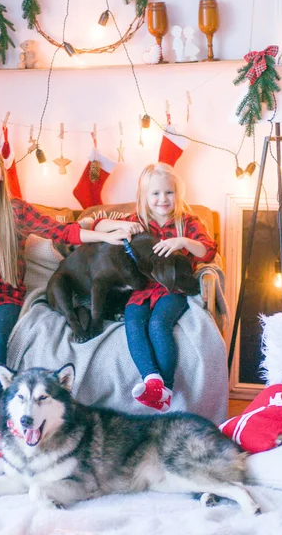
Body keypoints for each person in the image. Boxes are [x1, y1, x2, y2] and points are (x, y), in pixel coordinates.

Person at [0, 143, 130, 447]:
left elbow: (62, 232)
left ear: (1, 174)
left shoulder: (17, 210)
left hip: (6, 294)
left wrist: (104, 235)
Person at [93, 162, 217, 411]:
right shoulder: (137, 221)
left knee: (159, 324)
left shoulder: (187, 222)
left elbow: (207, 250)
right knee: (133, 321)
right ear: (144, 197)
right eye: (156, 193)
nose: (163, 199)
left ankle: (166, 389)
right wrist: (124, 227)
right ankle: (151, 379)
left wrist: (183, 241)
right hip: (142, 289)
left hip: (173, 288)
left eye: (169, 192)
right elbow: (97, 226)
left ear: (177, 194)